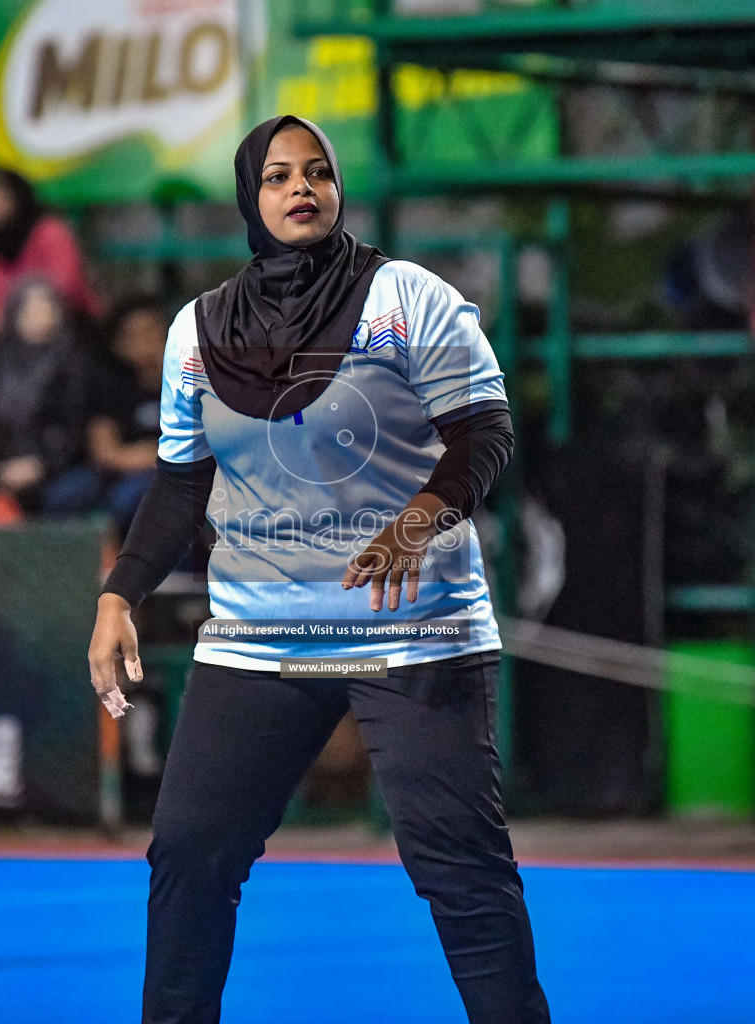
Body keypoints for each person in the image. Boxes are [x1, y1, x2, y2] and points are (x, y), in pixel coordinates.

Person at [87, 116, 549, 1023]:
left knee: (457, 862)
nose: (302, 188)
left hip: (416, 628)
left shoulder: (406, 296)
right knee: (189, 852)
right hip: (257, 639)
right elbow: (181, 486)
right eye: (277, 176)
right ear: (248, 200)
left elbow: (485, 430)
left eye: (318, 173)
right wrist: (117, 594)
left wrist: (421, 520)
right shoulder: (196, 330)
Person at [44, 295, 164, 534]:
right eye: (134, 335)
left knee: (128, 501)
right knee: (60, 497)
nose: (145, 342)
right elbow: (104, 450)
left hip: (170, 474)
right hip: (116, 468)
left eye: (151, 331)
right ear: (119, 343)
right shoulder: (110, 385)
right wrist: (144, 456)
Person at [0, 276, 93, 514]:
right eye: (29, 311)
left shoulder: (77, 368)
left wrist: (42, 465)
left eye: (46, 309)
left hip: (61, 468)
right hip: (3, 468)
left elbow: (77, 431)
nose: (39, 319)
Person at [0, 168, 102, 341]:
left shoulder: (50, 232)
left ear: (18, 196)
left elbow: (65, 289)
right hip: (1, 340)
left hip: (66, 331)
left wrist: (27, 316)